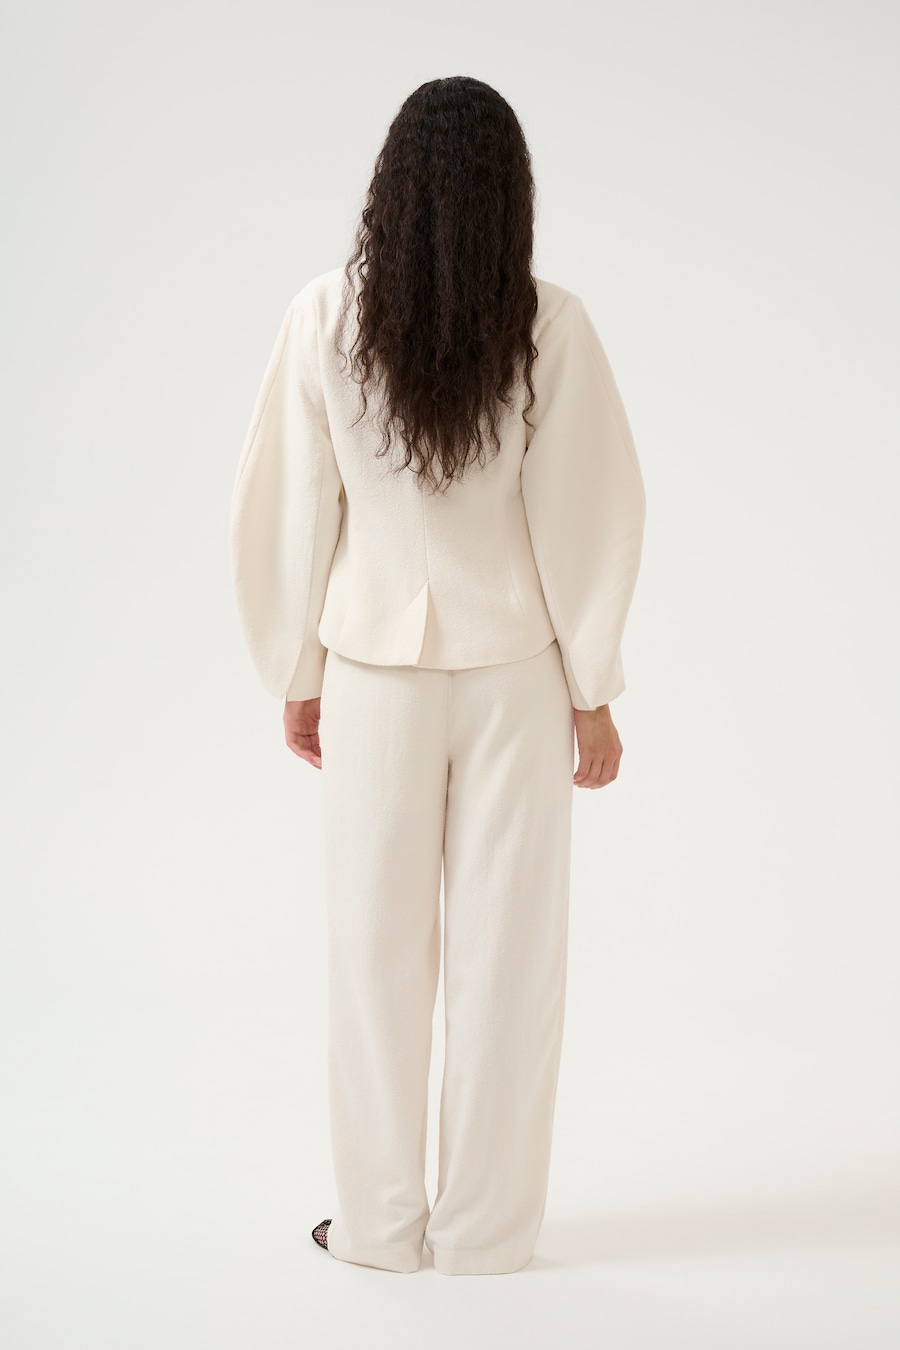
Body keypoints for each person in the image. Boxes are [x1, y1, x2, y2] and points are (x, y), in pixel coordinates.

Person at [229, 74, 647, 1277]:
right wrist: (592, 690)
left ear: (392, 189)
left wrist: (296, 668)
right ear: (512, 194)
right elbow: (586, 514)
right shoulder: (549, 325)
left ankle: (376, 1230)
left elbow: (288, 509)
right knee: (510, 960)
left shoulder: (325, 317)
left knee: (374, 956)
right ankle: (486, 1236)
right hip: (515, 672)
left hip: (373, 674)